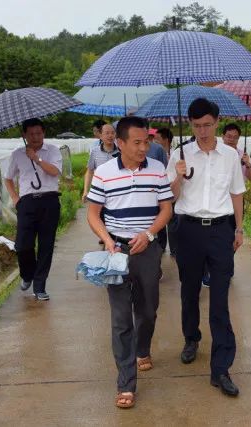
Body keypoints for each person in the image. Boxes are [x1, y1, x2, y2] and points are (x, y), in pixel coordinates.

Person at [86, 116, 173, 409]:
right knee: (121, 317)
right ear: (119, 143)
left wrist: (149, 234)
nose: (143, 147)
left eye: (146, 141)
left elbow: (166, 208)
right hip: (116, 251)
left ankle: (143, 348)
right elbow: (93, 213)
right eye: (136, 142)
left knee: (148, 310)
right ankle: (126, 383)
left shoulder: (158, 168)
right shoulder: (105, 172)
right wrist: (107, 240)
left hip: (147, 249)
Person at [166, 98, 245, 397]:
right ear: (190, 124)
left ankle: (221, 368)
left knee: (220, 300)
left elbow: (237, 192)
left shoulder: (230, 155)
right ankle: (191, 337)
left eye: (208, 125)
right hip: (187, 230)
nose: (202, 131)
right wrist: (178, 176)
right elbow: (169, 198)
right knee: (189, 291)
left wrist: (239, 228)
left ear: (217, 121)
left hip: (221, 231)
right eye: (197, 126)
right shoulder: (179, 154)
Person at [5, 118, 62, 301]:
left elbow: (54, 171)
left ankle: (39, 286)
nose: (35, 137)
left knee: (46, 245)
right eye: (31, 134)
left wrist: (36, 158)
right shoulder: (17, 154)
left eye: (39, 133)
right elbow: (8, 178)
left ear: (44, 133)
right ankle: (27, 274)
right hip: (27, 203)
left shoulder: (52, 151)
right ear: (24, 135)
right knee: (22, 245)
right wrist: (15, 198)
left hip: (50, 201)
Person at [155, 128, 178, 256]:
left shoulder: (176, 153)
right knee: (160, 218)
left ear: (166, 140)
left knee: (172, 220)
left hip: (172, 191)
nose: (155, 142)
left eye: (158, 139)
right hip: (159, 190)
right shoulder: (156, 152)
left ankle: (174, 249)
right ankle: (161, 245)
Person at [82, 123, 118, 203]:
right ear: (101, 136)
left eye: (112, 133)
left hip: (117, 191)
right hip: (99, 191)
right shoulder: (95, 151)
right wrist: (85, 191)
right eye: (107, 133)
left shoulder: (121, 151)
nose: (110, 135)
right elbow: (89, 172)